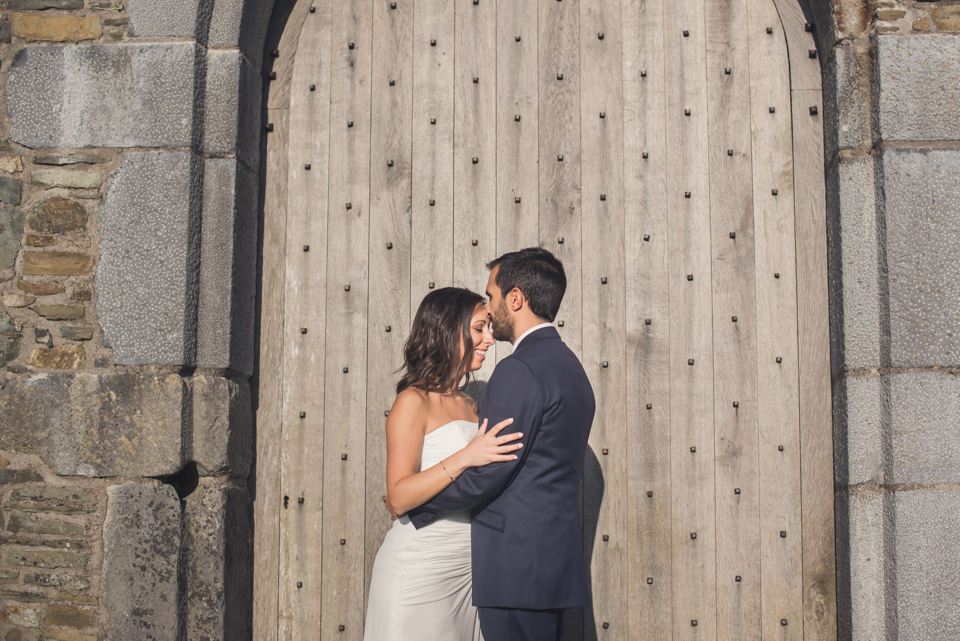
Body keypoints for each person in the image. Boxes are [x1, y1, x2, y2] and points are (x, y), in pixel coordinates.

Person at [401, 247, 596, 641]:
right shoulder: (571, 367)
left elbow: (488, 474)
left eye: (491, 296)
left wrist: (414, 503)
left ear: (516, 298)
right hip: (551, 564)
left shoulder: (519, 369)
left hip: (516, 566)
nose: (489, 309)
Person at [364, 287, 524, 641]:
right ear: (449, 330)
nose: (489, 339)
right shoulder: (412, 401)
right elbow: (399, 496)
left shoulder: (471, 405)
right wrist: (467, 455)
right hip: (420, 565)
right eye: (479, 328)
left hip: (468, 569)